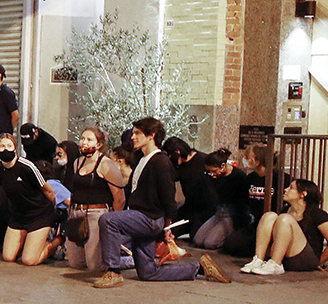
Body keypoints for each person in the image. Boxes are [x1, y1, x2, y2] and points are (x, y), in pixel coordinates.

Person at [92, 118, 231, 288]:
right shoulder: (141, 159)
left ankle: (113, 271)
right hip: (140, 218)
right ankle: (200, 269)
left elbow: (168, 197)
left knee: (108, 220)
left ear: (151, 136)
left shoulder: (161, 161)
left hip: (148, 218)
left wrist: (167, 228)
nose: (133, 137)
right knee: (148, 272)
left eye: (137, 133)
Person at [242, 178, 328, 275]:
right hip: (284, 258)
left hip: (303, 259)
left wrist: (318, 262)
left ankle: (276, 264)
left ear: (303, 194)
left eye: (291, 188)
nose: (285, 190)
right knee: (269, 216)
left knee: (285, 219)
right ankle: (258, 260)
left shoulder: (317, 214)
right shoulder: (285, 210)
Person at [61, 128, 126, 272]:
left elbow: (119, 198)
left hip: (96, 213)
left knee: (95, 266)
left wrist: (113, 221)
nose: (84, 142)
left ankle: (125, 260)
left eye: (89, 139)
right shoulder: (77, 163)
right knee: (75, 263)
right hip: (76, 213)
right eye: (82, 138)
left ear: (99, 144)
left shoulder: (106, 164)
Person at [0, 133, 61, 266]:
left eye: (9, 146)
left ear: (15, 148)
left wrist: (51, 210)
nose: (5, 149)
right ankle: (30, 242)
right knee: (8, 257)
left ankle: (59, 239)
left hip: (39, 214)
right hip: (18, 216)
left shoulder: (27, 166)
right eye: (1, 146)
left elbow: (48, 191)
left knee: (29, 260)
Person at [162, 137, 218, 244]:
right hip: (189, 207)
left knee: (196, 236)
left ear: (177, 152)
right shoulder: (178, 166)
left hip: (206, 209)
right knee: (168, 231)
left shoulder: (203, 160)